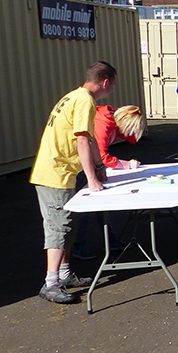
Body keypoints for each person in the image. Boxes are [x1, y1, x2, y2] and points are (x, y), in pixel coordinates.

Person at [29, 61, 117, 303]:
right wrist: (91, 178)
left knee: (69, 224)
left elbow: (89, 142)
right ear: (105, 83)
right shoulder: (85, 102)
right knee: (59, 228)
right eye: (113, 86)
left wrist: (99, 168)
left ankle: (65, 275)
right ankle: (51, 283)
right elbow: (81, 142)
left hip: (61, 173)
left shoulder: (74, 97)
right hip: (55, 175)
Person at [72, 105, 145, 260]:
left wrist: (136, 124)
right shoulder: (103, 123)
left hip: (92, 166)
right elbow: (102, 155)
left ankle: (110, 239)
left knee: (99, 205)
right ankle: (77, 244)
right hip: (81, 167)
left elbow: (131, 138)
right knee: (85, 208)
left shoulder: (113, 121)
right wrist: (127, 165)